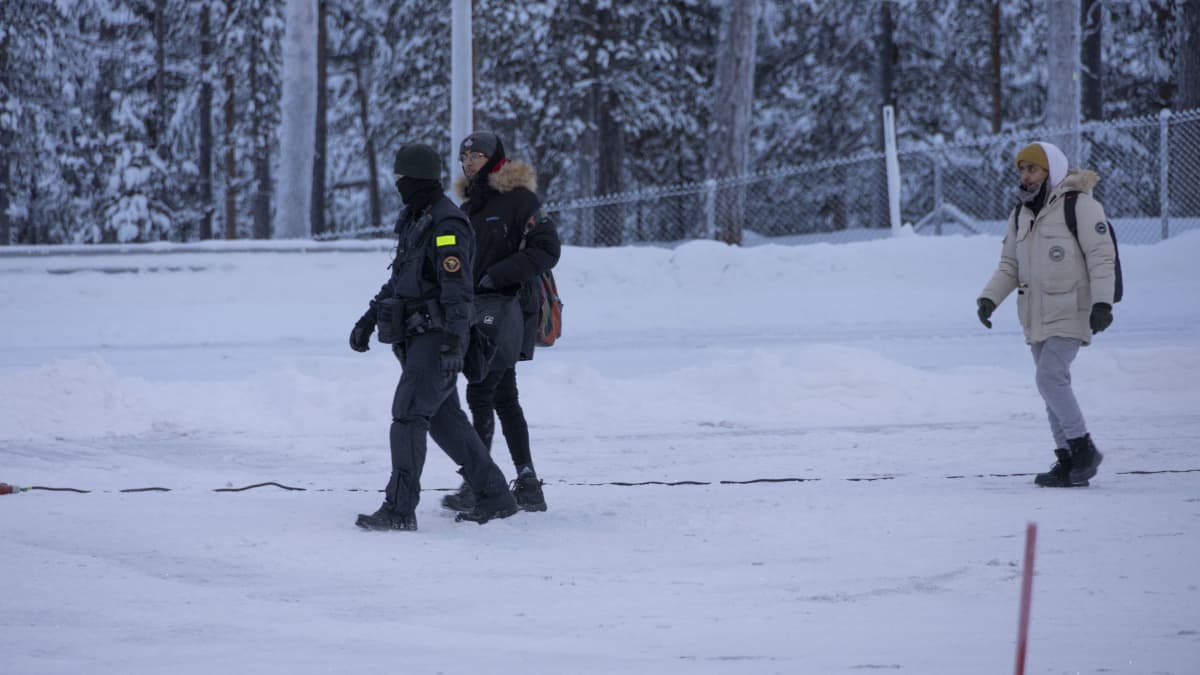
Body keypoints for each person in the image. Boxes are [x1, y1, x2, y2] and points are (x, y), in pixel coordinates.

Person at [349, 143, 519, 530]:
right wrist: (368, 318)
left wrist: (454, 342)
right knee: (446, 421)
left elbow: (458, 290)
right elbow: (400, 280)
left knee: (408, 415)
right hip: (416, 337)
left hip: (437, 336)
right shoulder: (418, 219)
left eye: (400, 179)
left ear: (415, 179)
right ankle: (495, 496)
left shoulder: (446, 224)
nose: (397, 185)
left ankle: (399, 509)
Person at [977, 140, 1116, 488]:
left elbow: (1101, 255)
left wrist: (1103, 302)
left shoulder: (1079, 206)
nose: (1026, 176)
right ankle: (1068, 460)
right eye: (1022, 169)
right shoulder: (1020, 214)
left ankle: (1084, 449)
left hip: (1072, 307)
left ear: (1050, 170)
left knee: (1049, 379)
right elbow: (1010, 264)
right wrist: (990, 298)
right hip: (1036, 313)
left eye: (1033, 168)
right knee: (1050, 384)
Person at [440, 131, 561, 514]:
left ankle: (481, 484)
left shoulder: (521, 200)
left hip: (509, 307)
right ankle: (527, 483)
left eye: (477, 154)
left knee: (480, 389)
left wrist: (500, 274)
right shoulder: (469, 206)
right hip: (476, 308)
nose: (470, 160)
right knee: (504, 396)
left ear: (496, 159)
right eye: (465, 155)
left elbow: (547, 249)